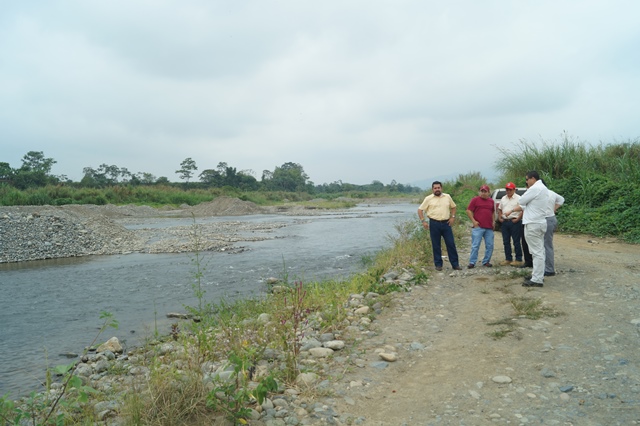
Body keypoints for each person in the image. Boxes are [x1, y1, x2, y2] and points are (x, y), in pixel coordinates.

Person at [503, 171, 548, 287]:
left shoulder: (535, 188)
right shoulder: (543, 188)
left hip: (533, 224)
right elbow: (524, 204)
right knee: (539, 251)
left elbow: (522, 201)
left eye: (527, 179)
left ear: (533, 178)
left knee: (537, 252)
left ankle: (537, 279)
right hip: (539, 222)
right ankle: (537, 275)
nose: (526, 182)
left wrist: (527, 192)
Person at [417, 181, 462, 271]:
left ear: (441, 188)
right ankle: (438, 265)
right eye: (435, 188)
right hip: (434, 224)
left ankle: (455, 264)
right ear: (432, 189)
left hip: (446, 224)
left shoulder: (447, 197)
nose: (437, 189)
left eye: (438, 188)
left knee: (451, 244)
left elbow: (453, 207)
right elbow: (420, 210)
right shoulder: (428, 198)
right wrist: (423, 221)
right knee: (436, 245)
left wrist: (452, 217)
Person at [466, 184, 495, 268]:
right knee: (475, 245)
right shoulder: (475, 200)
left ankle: (486, 261)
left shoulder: (491, 201)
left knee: (490, 245)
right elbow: (468, 210)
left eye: (485, 191)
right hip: (478, 227)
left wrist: (493, 221)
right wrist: (473, 221)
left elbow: (492, 212)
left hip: (489, 227)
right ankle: (472, 262)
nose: (483, 193)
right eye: (482, 191)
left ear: (489, 193)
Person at [497, 182, 523, 266]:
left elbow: (523, 209)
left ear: (514, 190)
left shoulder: (519, 198)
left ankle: (518, 259)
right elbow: (500, 209)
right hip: (505, 222)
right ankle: (508, 258)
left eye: (510, 189)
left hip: (514, 222)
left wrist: (518, 219)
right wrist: (500, 217)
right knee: (506, 241)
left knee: (516, 241)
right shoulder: (503, 198)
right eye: (507, 189)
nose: (508, 191)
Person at [542, 182, 565, 276]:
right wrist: (554, 208)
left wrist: (553, 209)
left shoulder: (542, 194)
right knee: (545, 245)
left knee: (546, 245)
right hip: (551, 219)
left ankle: (549, 269)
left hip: (547, 219)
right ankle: (545, 266)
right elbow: (561, 199)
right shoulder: (551, 192)